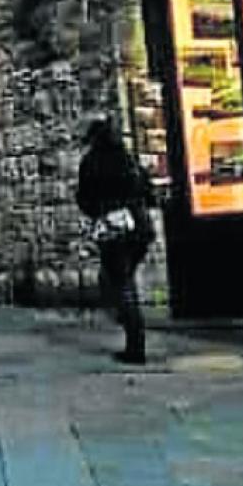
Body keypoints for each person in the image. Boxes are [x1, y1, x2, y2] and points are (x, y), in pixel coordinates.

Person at [74, 117, 158, 364]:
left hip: (115, 232)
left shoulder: (91, 162)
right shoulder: (128, 159)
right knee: (122, 280)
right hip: (139, 228)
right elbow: (148, 192)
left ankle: (135, 344)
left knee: (121, 284)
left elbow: (85, 199)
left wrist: (100, 210)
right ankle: (131, 328)